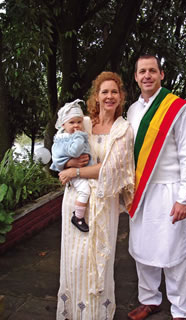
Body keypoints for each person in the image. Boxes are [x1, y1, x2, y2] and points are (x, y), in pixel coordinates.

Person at [56, 71, 135, 320]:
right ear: (97, 97)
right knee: (74, 259)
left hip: (103, 204)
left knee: (99, 261)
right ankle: (72, 313)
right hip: (75, 200)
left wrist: (75, 170)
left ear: (120, 96)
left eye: (114, 91)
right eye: (104, 92)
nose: (109, 96)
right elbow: (58, 148)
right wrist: (67, 164)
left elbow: (111, 168)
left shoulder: (123, 130)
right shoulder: (85, 123)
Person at [127, 55, 186, 320]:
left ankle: (180, 310)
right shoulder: (132, 110)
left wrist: (184, 198)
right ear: (136, 77)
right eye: (142, 71)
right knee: (142, 248)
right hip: (141, 191)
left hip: (171, 190)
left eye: (152, 71)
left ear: (161, 75)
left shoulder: (178, 108)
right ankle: (149, 300)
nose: (147, 75)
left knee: (175, 252)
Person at [50, 99, 91, 232]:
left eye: (79, 122)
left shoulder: (69, 137)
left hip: (83, 170)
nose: (76, 126)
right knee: (85, 190)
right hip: (73, 172)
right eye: (71, 122)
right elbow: (74, 151)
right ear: (63, 124)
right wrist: (79, 136)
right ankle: (78, 217)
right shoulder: (66, 139)